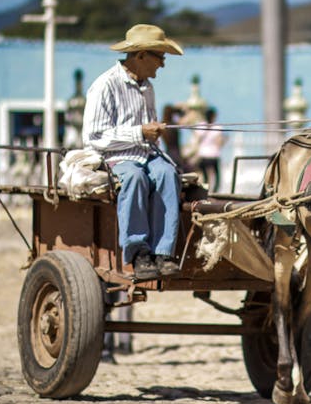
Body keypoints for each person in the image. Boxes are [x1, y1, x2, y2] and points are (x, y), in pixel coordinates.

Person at [83, 24, 184, 282]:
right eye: (160, 57)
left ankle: (163, 252)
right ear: (141, 56)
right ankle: (138, 252)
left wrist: (152, 134)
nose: (162, 64)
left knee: (167, 174)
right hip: (113, 158)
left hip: (145, 153)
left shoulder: (147, 87)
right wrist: (140, 132)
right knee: (135, 178)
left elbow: (147, 132)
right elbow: (95, 137)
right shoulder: (104, 86)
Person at [188, 107, 225, 192]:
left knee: (205, 177)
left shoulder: (201, 125)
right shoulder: (218, 127)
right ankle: (215, 193)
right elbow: (219, 143)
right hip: (214, 154)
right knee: (217, 177)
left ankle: (205, 192)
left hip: (203, 154)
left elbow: (197, 140)